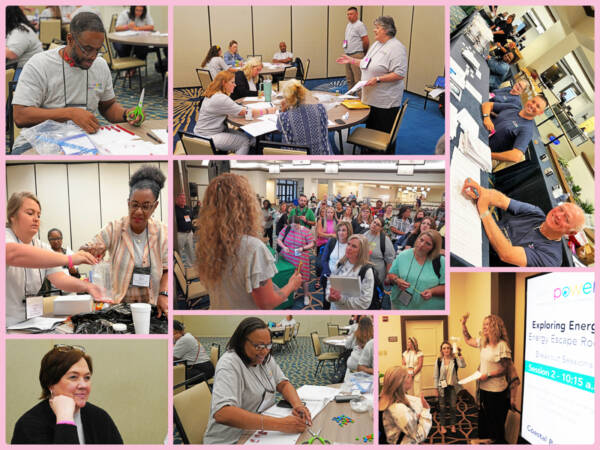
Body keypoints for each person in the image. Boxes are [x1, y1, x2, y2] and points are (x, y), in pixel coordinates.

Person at [11, 12, 144, 154]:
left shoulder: (100, 66)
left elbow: (108, 106)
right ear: (70, 39)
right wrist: (69, 113)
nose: (92, 56)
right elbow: (20, 116)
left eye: (98, 50)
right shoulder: (39, 65)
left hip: (83, 141)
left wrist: (125, 114)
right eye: (87, 49)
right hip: (37, 143)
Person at [197, 174, 302, 309]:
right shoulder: (253, 247)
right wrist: (291, 286)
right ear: (247, 206)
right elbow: (267, 303)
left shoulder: (208, 243)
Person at [204, 317, 311, 444]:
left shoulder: (264, 357)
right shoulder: (229, 364)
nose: (265, 351)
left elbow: (283, 384)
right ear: (242, 342)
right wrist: (281, 424)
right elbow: (222, 413)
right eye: (259, 346)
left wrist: (297, 404)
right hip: (232, 439)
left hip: (257, 431)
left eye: (268, 345)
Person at [80, 166, 168, 317]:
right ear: (128, 203)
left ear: (155, 206)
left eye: (146, 206)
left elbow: (167, 269)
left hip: (151, 306)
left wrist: (164, 293)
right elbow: (87, 248)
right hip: (120, 305)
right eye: (134, 205)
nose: (139, 211)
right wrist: (91, 249)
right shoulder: (114, 228)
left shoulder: (162, 232)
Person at [6, 192, 102, 327]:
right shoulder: (5, 236)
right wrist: (69, 259)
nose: (36, 219)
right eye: (30, 213)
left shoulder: (40, 246)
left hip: (31, 321)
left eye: (38, 215)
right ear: (12, 216)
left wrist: (88, 286)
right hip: (7, 322)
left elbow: (60, 279)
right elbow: (13, 254)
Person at [11, 345, 122, 444]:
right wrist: (65, 419)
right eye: (73, 377)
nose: (83, 385)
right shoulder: (28, 426)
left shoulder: (100, 418)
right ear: (51, 384)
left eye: (87, 377)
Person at [462, 178, 585, 267]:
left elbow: (506, 254)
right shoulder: (536, 213)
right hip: (479, 231)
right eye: (561, 209)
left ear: (571, 233)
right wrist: (482, 191)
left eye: (566, 218)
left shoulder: (552, 258)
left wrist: (484, 211)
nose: (558, 215)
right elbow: (502, 200)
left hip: (481, 261)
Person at [336, 16, 407, 137]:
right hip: (371, 98)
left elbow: (400, 74)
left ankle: (381, 154)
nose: (374, 30)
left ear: (386, 30)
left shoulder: (397, 48)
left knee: (381, 133)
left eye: (377, 28)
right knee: (371, 129)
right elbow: (366, 63)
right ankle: (369, 150)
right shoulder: (377, 44)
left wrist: (378, 79)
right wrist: (351, 60)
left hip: (385, 101)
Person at [193, 71, 275, 155]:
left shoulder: (213, 94)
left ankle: (252, 149)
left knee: (248, 137)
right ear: (224, 83)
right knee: (244, 142)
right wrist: (267, 110)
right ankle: (236, 165)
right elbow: (245, 112)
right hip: (207, 136)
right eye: (232, 82)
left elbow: (235, 110)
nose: (235, 85)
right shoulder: (221, 98)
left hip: (209, 130)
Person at [461, 313, 512, 444]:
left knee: (495, 422)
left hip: (497, 391)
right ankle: (486, 442)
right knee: (485, 418)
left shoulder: (502, 346)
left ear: (495, 327)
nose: (484, 327)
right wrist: (463, 325)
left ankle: (497, 443)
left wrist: (488, 375)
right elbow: (468, 339)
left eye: (487, 324)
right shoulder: (483, 342)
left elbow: (505, 369)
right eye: (483, 324)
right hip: (484, 388)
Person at [387, 230, 445, 310]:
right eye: (421, 240)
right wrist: (396, 280)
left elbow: (448, 287)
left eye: (428, 244)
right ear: (417, 238)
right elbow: (390, 275)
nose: (421, 245)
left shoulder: (440, 261)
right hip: (399, 306)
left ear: (433, 248)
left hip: (427, 310)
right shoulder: (403, 255)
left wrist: (432, 291)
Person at [481, 95, 547, 163]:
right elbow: (487, 105)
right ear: (529, 100)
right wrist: (487, 118)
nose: (533, 106)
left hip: (483, 147)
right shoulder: (513, 107)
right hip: (480, 130)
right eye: (533, 101)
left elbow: (516, 157)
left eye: (538, 106)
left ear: (540, 113)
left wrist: (488, 154)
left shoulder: (527, 130)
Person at [277, 79, 333, 155]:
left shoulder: (284, 117)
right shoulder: (321, 109)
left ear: (287, 99)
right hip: (323, 157)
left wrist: (283, 110)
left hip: (296, 162)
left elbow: (279, 128)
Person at [379, 366, 432, 445]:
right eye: (408, 376)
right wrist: (426, 411)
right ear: (402, 382)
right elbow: (418, 436)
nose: (411, 377)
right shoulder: (398, 409)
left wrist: (413, 417)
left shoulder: (381, 399)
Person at [326, 234, 375, 310]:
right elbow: (330, 282)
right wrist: (329, 296)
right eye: (348, 244)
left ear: (361, 251)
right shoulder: (340, 263)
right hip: (334, 308)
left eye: (354, 246)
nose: (348, 248)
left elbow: (364, 302)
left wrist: (340, 299)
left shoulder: (366, 271)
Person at [277, 215, 315, 306]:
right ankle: (294, 290)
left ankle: (306, 295)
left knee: (304, 277)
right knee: (291, 275)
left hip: (301, 257)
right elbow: (279, 240)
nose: (294, 228)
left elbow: (312, 244)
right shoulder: (287, 228)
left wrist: (303, 248)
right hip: (288, 256)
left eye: (296, 226)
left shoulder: (306, 231)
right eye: (292, 226)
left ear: (299, 223)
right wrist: (284, 247)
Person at [433, 341, 466, 434]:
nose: (446, 350)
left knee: (452, 407)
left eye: (448, 348)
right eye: (444, 348)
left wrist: (459, 354)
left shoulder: (455, 360)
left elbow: (463, 365)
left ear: (451, 349)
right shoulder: (439, 361)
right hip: (442, 386)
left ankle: (453, 425)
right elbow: (436, 376)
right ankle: (442, 426)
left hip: (452, 387)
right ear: (441, 350)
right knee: (442, 407)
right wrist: (435, 389)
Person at [320, 221, 352, 310]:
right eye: (339, 230)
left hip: (344, 279)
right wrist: (328, 272)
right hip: (329, 277)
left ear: (348, 232)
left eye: (344, 230)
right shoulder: (332, 241)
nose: (341, 232)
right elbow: (324, 259)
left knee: (340, 301)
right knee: (327, 301)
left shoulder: (352, 245)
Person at [5, 6, 42, 80]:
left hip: (25, 74)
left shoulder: (20, 31)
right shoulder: (14, 29)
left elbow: (12, 54)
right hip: (20, 69)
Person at [173, 320, 214, 385]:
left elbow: (173, 358)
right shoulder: (188, 335)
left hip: (201, 371)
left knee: (174, 376)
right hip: (207, 368)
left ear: (176, 331)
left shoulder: (184, 339)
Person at [343, 6, 369, 92]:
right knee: (349, 79)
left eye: (351, 14)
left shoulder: (360, 25)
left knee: (358, 79)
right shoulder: (348, 25)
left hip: (357, 55)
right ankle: (350, 97)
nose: (349, 16)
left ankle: (360, 100)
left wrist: (364, 54)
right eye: (348, 14)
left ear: (357, 14)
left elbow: (366, 41)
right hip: (348, 55)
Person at [363, 216, 395, 285]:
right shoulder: (364, 234)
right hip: (363, 271)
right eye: (374, 222)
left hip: (377, 274)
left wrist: (388, 275)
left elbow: (390, 260)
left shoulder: (385, 240)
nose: (374, 225)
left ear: (381, 228)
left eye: (378, 225)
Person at [175, 193, 196, 268]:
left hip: (189, 233)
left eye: (184, 199)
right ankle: (180, 268)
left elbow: (192, 219)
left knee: (190, 250)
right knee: (179, 251)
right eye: (181, 198)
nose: (183, 200)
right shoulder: (174, 209)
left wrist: (193, 231)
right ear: (176, 199)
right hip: (180, 234)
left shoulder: (188, 208)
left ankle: (190, 265)